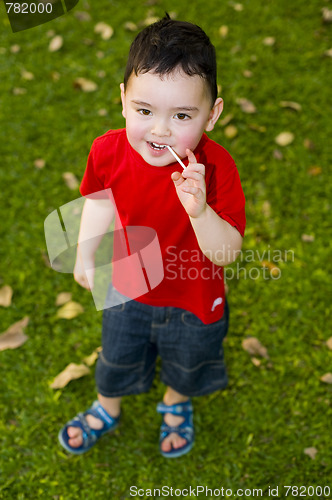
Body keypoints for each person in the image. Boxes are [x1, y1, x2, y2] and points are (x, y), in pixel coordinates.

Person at [58, 13, 246, 458]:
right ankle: (108, 405)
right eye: (145, 111)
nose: (160, 130)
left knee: (187, 361)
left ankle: (175, 402)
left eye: (182, 115)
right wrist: (87, 253)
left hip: (194, 296)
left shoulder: (216, 168)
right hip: (127, 282)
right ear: (123, 101)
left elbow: (226, 253)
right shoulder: (108, 149)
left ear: (212, 115)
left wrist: (200, 211)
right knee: (117, 352)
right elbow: (100, 200)